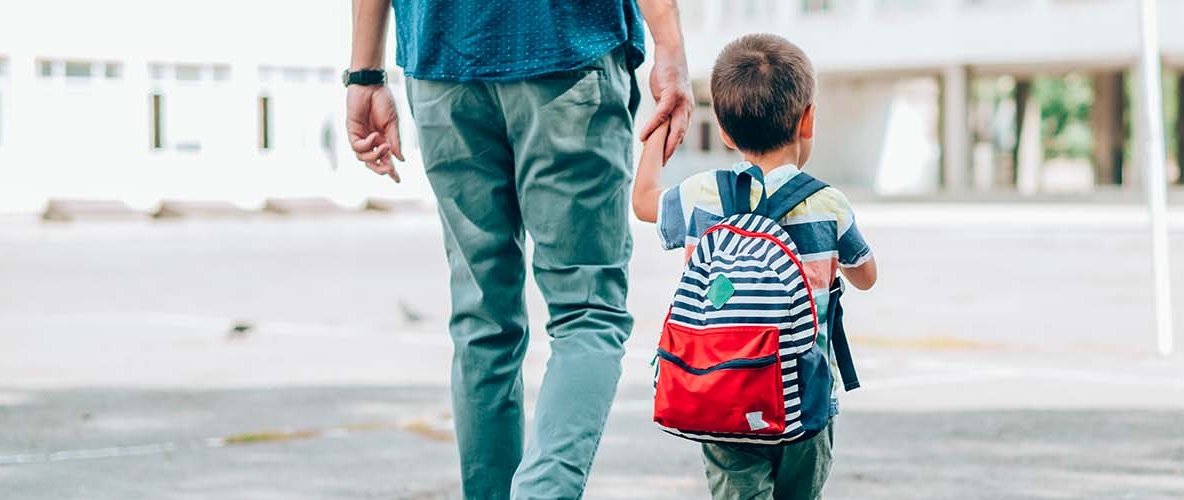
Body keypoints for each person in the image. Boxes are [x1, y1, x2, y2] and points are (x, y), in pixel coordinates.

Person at [344, 1, 692, 499]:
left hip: (442, 63)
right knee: (587, 312)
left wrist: (364, 74)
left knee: (482, 321)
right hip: (565, 47)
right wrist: (670, 47)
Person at [632, 33, 877, 500]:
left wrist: (664, 116)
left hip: (722, 390)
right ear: (808, 121)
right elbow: (866, 276)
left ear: (724, 131)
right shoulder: (828, 205)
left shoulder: (701, 195)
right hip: (804, 400)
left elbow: (643, 201)